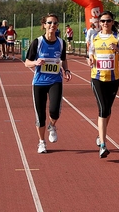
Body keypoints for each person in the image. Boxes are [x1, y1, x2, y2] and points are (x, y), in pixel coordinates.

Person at [25, 13, 72, 154]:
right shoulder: (37, 42)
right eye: (50, 23)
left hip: (55, 81)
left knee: (54, 111)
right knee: (40, 115)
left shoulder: (61, 43)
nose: (53, 25)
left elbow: (63, 60)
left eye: (55, 23)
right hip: (39, 82)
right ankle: (41, 142)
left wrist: (67, 69)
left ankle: (52, 126)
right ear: (44, 25)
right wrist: (35, 62)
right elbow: (27, 62)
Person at [86, 11, 119, 158]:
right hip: (97, 78)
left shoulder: (118, 38)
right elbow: (90, 52)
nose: (105, 23)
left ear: (112, 22)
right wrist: (90, 59)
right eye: (103, 21)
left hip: (113, 79)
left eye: (108, 21)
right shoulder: (95, 37)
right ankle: (103, 145)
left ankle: (100, 136)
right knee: (103, 109)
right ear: (99, 23)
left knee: (108, 111)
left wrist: (118, 51)